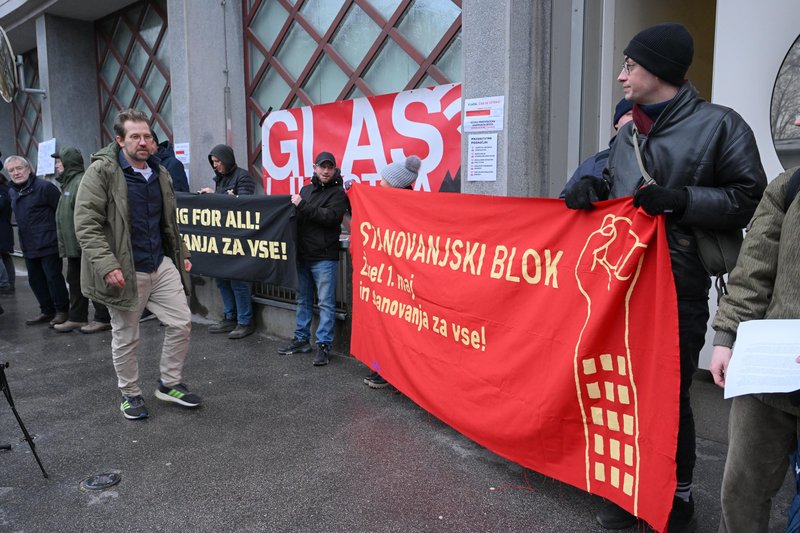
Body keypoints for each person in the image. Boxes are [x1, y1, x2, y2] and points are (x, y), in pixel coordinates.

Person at [564, 22, 767, 531]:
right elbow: (611, 182)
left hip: (678, 288)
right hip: (621, 289)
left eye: (629, 66)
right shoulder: (629, 132)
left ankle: (676, 496)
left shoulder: (721, 125)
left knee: (667, 393)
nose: (619, 75)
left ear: (657, 69)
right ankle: (624, 488)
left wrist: (682, 201)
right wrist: (585, 187)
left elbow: (751, 199)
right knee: (621, 389)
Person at [74, 108, 201, 420]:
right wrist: (107, 265)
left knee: (181, 322)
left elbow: (169, 221)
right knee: (127, 336)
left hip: (159, 263)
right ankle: (129, 394)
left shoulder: (160, 172)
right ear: (120, 140)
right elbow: (86, 224)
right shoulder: (102, 172)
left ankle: (169, 384)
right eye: (135, 137)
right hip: (124, 269)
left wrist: (181, 254)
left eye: (147, 136)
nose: (143, 142)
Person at [709, 168, 800, 532]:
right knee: (740, 493)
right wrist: (726, 335)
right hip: (768, 372)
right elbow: (754, 267)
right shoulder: (790, 183)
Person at [278, 151, 349, 366]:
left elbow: (330, 217)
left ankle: (324, 345)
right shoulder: (306, 190)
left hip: (324, 257)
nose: (326, 171)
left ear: (335, 169)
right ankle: (301, 339)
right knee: (303, 300)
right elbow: (298, 216)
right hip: (303, 255)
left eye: (330, 167)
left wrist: (302, 206)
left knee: (326, 303)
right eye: (322, 167)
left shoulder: (339, 193)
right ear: (315, 167)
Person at [361, 155, 421, 388]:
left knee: (395, 329)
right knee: (383, 327)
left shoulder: (406, 205)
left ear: (395, 183)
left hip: (402, 281)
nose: (380, 182)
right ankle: (380, 368)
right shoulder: (383, 201)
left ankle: (389, 373)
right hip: (385, 277)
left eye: (384, 179)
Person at [51, 148, 112, 334]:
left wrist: (84, 242)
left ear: (69, 163)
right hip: (73, 246)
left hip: (84, 245)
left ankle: (103, 318)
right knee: (76, 282)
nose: (56, 165)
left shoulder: (81, 182)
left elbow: (88, 214)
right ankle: (77, 317)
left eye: (59, 161)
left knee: (91, 283)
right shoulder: (68, 184)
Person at [4, 155, 70, 326]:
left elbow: (61, 213)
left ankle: (62, 311)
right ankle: (47, 311)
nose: (16, 173)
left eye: (19, 168)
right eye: (11, 170)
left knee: (53, 278)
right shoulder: (12, 191)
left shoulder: (45, 188)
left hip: (48, 242)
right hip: (28, 243)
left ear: (29, 169)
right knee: (35, 279)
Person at [200, 144, 257, 339]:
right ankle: (230, 316)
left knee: (238, 281)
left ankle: (245, 321)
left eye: (217, 162)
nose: (215, 166)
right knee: (221, 279)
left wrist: (214, 197)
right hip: (222, 237)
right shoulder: (221, 179)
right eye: (213, 162)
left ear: (226, 160)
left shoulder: (243, 177)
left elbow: (244, 204)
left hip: (238, 238)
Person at [560, 98, 633, 197]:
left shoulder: (658, 159)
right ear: (616, 122)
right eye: (630, 114)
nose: (635, 120)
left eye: (641, 116)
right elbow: (564, 205)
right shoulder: (594, 164)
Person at [0, 171, 15, 296]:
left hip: (3, 229)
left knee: (4, 256)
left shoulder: (4, 190)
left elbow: (2, 205)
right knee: (5, 256)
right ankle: (8, 284)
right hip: (4, 229)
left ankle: (5, 284)